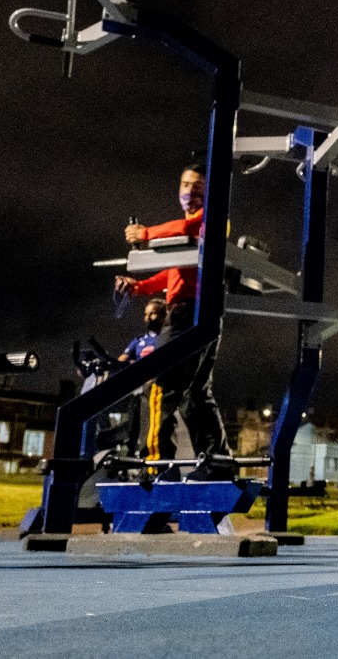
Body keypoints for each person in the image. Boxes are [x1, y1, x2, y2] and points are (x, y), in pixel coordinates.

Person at [114, 163, 232, 465]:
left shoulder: (212, 220)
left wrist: (146, 232)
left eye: (198, 186)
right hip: (200, 312)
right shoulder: (190, 240)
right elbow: (173, 273)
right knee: (196, 394)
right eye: (185, 185)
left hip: (186, 314)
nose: (190, 191)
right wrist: (138, 287)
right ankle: (216, 462)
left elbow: (186, 228)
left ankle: (154, 463)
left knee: (159, 386)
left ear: (211, 192)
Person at [118, 297, 167, 364]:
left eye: (152, 314)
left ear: (162, 316)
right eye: (146, 314)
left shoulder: (168, 336)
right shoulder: (139, 339)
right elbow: (122, 359)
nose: (147, 318)